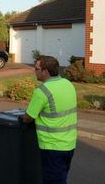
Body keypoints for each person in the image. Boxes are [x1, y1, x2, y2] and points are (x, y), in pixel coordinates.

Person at [23, 55, 77, 184]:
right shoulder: (67, 84)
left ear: (45, 71)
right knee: (61, 177)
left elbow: (28, 117)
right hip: (69, 144)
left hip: (52, 146)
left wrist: (24, 117)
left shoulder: (42, 91)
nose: (34, 71)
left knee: (53, 181)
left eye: (36, 69)